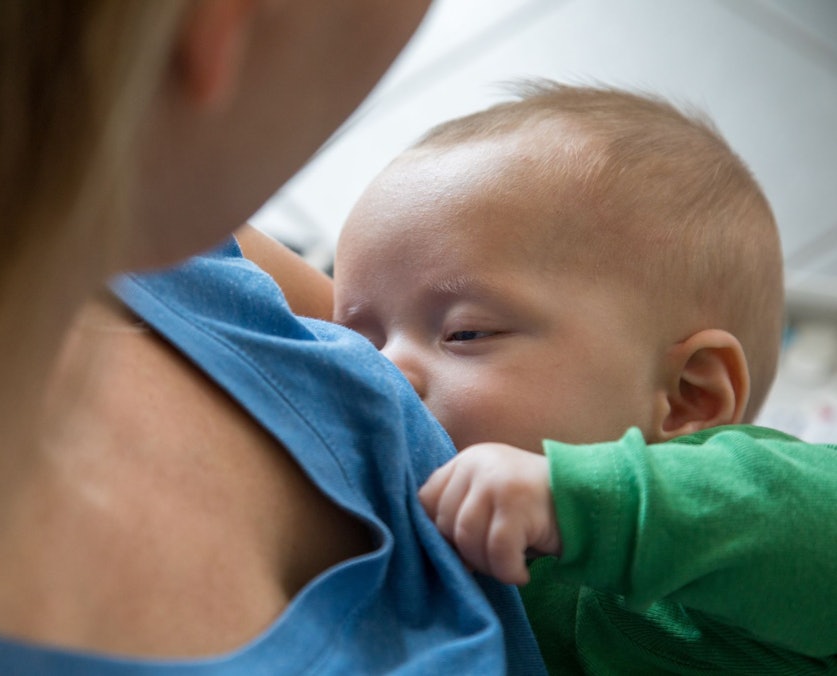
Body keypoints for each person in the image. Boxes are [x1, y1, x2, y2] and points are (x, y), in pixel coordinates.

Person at [0, 2, 544, 674]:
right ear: (220, 23)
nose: (395, 368)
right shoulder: (150, 206)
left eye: (466, 334)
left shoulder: (155, 216)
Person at [331, 80, 837, 673]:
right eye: (359, 343)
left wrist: (580, 501)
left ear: (686, 397)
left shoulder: (702, 569)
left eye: (467, 333)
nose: (384, 371)